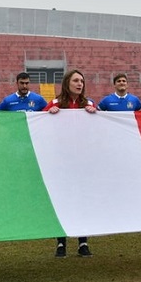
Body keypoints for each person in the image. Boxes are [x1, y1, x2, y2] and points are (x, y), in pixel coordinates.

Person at [46, 69, 97, 257]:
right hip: (61, 162)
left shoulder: (89, 104)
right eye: (76, 80)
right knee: (62, 200)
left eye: (82, 81)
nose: (79, 84)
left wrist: (95, 115)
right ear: (67, 83)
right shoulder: (55, 103)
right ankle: (61, 242)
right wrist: (47, 115)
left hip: (83, 161)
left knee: (82, 200)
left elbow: (101, 128)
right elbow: (38, 125)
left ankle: (83, 241)